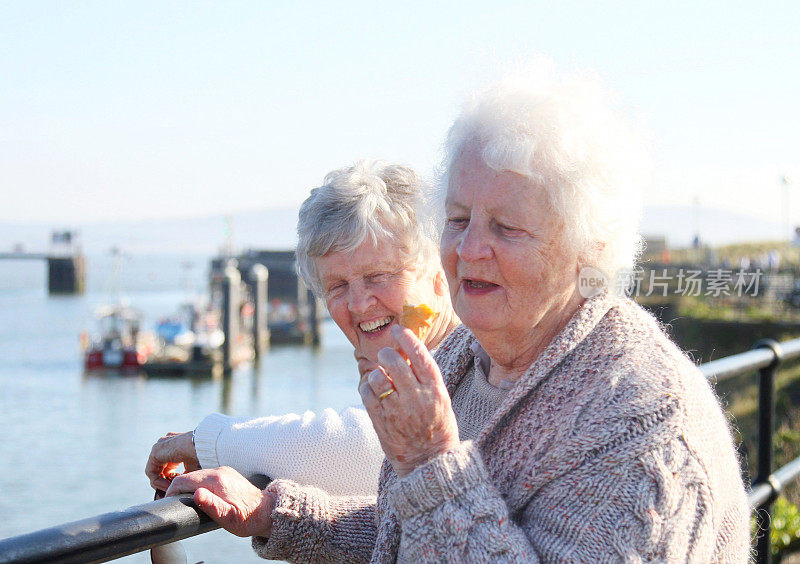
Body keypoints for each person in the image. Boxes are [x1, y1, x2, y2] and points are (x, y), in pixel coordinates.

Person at [167, 66, 750, 562]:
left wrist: (429, 460)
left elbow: (443, 503)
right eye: (457, 218)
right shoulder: (470, 359)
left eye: (506, 226)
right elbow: (414, 527)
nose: (469, 250)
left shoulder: (642, 427)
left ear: (587, 248)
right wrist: (277, 513)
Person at [147, 160, 461, 497]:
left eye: (378, 276)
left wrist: (208, 442)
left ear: (440, 271)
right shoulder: (407, 367)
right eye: (337, 286)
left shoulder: (479, 358)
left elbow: (364, 449)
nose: (357, 304)